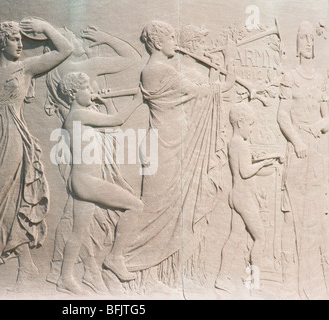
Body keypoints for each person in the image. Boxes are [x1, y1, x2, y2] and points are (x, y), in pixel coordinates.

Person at [0, 20, 74, 295]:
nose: (20, 44)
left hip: (13, 137)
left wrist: (45, 27)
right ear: (0, 43)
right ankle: (26, 266)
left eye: (21, 39)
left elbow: (66, 49)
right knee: (9, 202)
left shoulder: (25, 69)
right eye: (13, 39)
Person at [123, 20, 235, 289]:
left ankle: (155, 275)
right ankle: (136, 269)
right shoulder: (161, 71)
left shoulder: (159, 70)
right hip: (166, 147)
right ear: (159, 43)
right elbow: (206, 92)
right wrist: (229, 60)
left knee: (167, 211)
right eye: (172, 38)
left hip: (171, 144)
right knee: (156, 211)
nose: (176, 42)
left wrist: (211, 67)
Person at [44, 26, 141, 293]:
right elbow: (117, 120)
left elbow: (109, 126)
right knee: (135, 206)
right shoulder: (78, 115)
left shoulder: (78, 116)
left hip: (82, 182)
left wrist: (107, 101)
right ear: (75, 95)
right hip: (86, 181)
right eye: (88, 88)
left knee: (78, 232)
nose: (93, 90)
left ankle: (65, 278)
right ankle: (115, 257)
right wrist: (137, 99)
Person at [277, 21, 329, 299]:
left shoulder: (321, 79)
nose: (308, 42)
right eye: (303, 38)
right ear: (296, 43)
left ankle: (313, 281)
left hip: (317, 153)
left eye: (311, 38)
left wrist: (322, 125)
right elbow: (282, 115)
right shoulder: (290, 76)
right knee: (292, 216)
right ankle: (291, 281)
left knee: (315, 216)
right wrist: (296, 140)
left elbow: (327, 114)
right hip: (297, 154)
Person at [215, 104, 276, 293]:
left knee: (235, 237)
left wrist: (267, 164)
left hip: (238, 195)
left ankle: (221, 278)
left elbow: (246, 168)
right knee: (260, 237)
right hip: (243, 198)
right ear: (240, 123)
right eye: (250, 124)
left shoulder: (236, 143)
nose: (251, 128)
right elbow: (245, 171)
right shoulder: (239, 143)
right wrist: (263, 163)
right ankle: (254, 284)